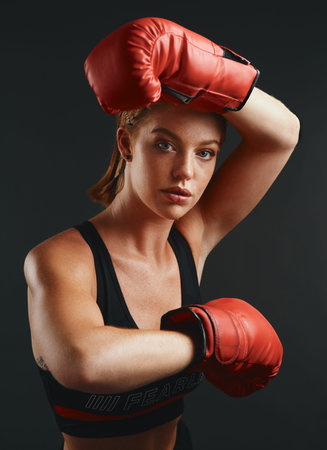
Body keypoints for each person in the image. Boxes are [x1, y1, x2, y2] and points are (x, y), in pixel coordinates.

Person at [24, 17, 300, 450]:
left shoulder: (191, 237)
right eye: (165, 144)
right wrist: (209, 340)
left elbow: (282, 134)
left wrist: (203, 69)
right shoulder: (61, 258)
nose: (185, 173)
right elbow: (84, 362)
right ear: (127, 144)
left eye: (205, 153)